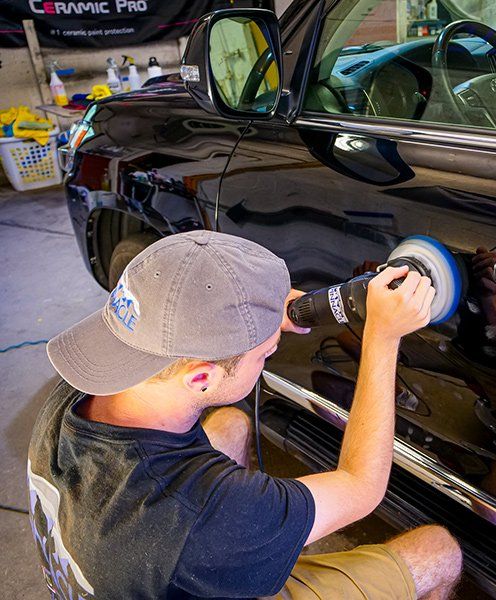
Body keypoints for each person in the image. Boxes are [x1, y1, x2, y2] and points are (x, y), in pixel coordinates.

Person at [27, 230, 462, 600]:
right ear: (200, 378)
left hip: (128, 564)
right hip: (177, 548)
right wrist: (383, 337)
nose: (270, 352)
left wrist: (259, 317)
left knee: (232, 425)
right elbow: (361, 486)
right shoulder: (208, 516)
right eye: (265, 354)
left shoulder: (80, 390)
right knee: (438, 551)